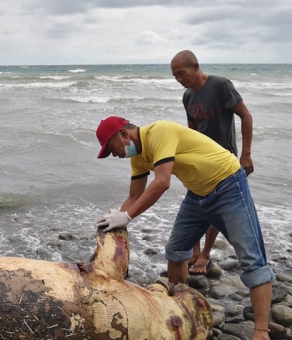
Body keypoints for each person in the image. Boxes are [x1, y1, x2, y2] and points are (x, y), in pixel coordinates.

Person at [94, 116, 273, 340]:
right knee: (176, 251)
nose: (116, 155)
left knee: (252, 259)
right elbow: (133, 196)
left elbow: (162, 182)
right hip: (198, 192)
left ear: (123, 135)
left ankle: (261, 331)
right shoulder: (138, 157)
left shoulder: (160, 132)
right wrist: (114, 229)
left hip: (228, 185)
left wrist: (127, 216)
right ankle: (179, 304)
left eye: (112, 149)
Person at [171, 50, 255, 275]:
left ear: (195, 66)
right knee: (197, 205)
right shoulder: (188, 96)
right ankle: (194, 252)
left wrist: (245, 153)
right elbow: (192, 131)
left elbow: (245, 115)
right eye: (175, 77)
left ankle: (206, 254)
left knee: (217, 207)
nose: (179, 80)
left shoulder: (220, 86)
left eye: (181, 74)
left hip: (223, 162)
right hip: (199, 163)